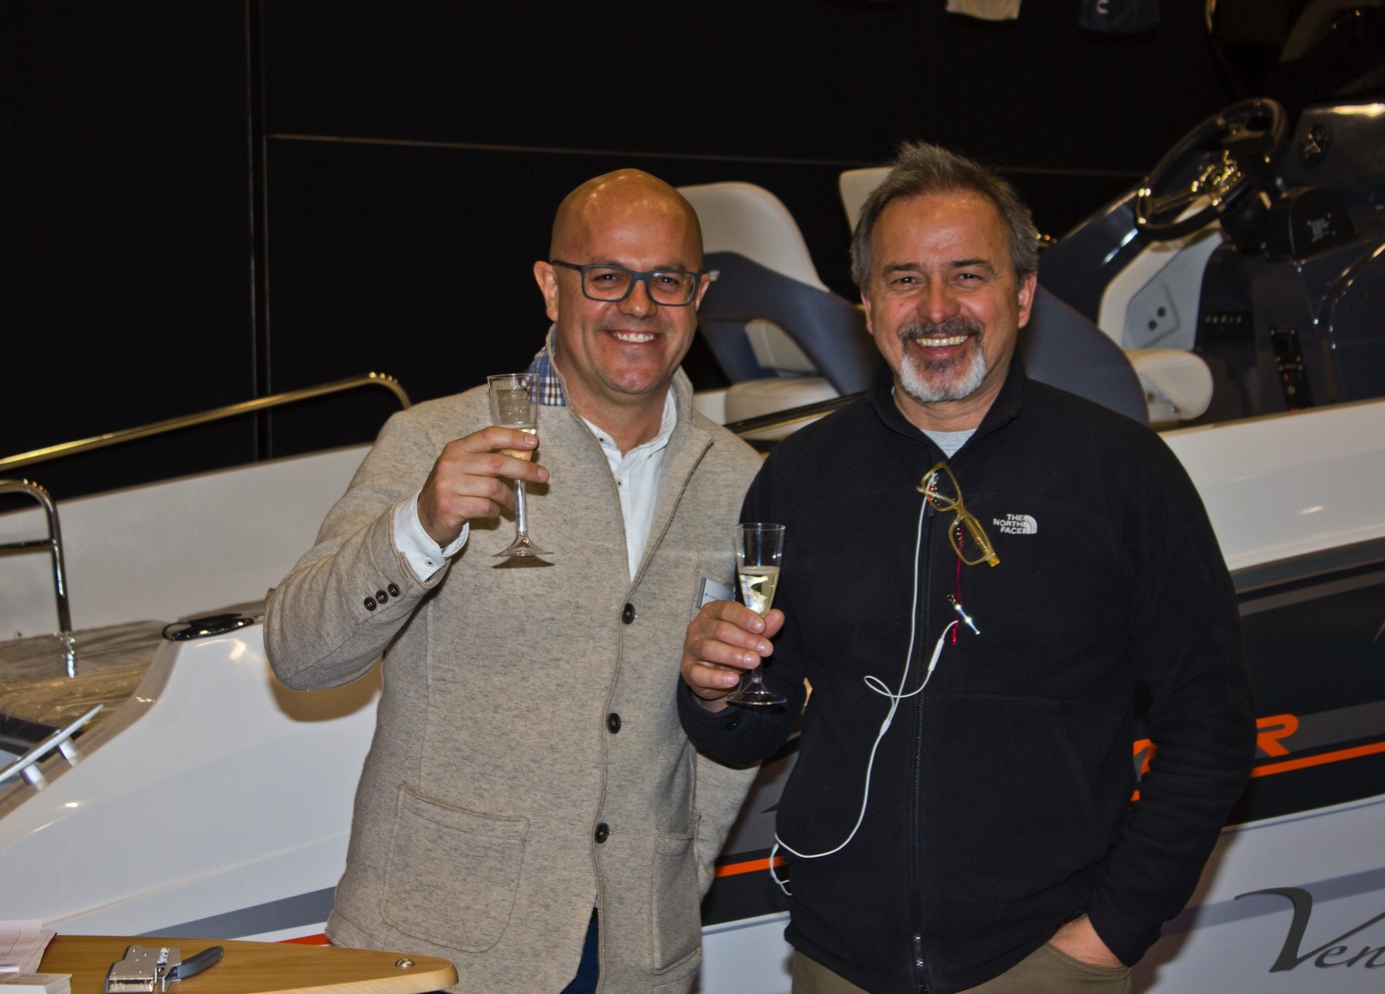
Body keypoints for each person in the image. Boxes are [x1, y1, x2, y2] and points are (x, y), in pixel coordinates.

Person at [678, 143, 1255, 993]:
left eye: (968, 275)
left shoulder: (1121, 474)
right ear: (867, 302)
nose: (936, 308)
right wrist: (713, 689)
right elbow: (754, 722)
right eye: (905, 279)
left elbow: (1211, 727)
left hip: (1042, 963)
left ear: (1021, 295)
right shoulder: (800, 477)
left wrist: (1110, 931)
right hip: (839, 964)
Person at [265, 169, 762, 994]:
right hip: (440, 949)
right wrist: (419, 527)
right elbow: (299, 654)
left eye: (666, 280)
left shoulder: (742, 481)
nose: (638, 306)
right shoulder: (433, 439)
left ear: (699, 294)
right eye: (606, 276)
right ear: (550, 286)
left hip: (637, 953)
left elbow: (733, 720)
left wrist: (680, 871)